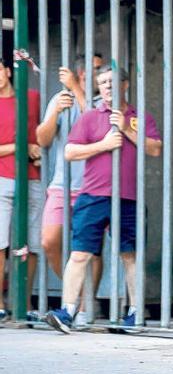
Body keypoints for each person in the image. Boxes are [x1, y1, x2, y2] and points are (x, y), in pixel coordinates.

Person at [45, 67, 162, 333]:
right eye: (102, 83)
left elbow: (155, 148)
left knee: (129, 255)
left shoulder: (138, 117)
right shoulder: (90, 117)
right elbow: (70, 151)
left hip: (128, 197)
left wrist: (126, 130)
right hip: (93, 195)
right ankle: (68, 311)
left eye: (111, 81)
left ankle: (134, 314)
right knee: (80, 253)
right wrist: (104, 145)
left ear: (125, 84)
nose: (107, 87)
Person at [36, 58, 104, 325]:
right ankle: (74, 298)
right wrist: (55, 112)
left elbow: (94, 128)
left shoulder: (103, 102)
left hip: (93, 185)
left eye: (98, 68)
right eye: (88, 68)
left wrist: (76, 89)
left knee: (92, 250)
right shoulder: (60, 98)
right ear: (80, 70)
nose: (92, 73)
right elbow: (42, 139)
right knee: (49, 241)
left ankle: (85, 308)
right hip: (61, 184)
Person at [0, 57, 43, 321]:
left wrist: (38, 150)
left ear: (6, 71)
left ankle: (24, 305)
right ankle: (1, 304)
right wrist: (20, 148)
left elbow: (43, 136)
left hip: (32, 177)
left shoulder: (33, 98)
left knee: (32, 244)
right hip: (1, 178)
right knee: (0, 244)